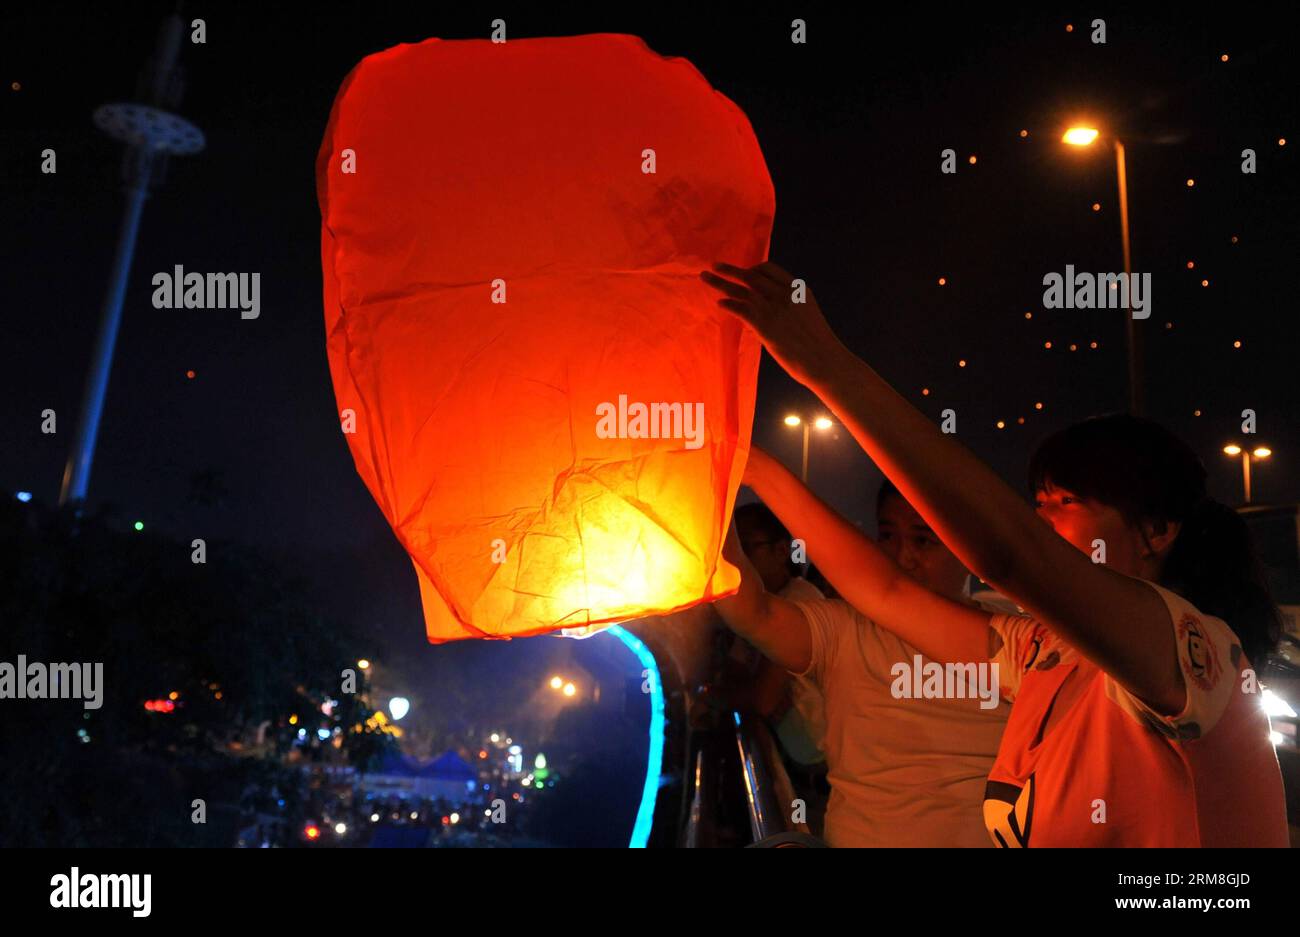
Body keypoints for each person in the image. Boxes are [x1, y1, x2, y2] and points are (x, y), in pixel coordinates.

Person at [701, 261, 1288, 847]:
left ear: (1156, 531)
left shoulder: (1190, 651)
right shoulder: (1046, 656)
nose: (1041, 518)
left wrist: (828, 366)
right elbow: (887, 593)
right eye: (1037, 501)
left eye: (1065, 501)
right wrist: (757, 468)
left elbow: (1011, 554)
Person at [715, 459, 1012, 847]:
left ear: (969, 547)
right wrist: (712, 490)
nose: (902, 556)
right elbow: (756, 613)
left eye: (923, 540)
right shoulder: (845, 629)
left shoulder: (1016, 643)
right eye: (887, 535)